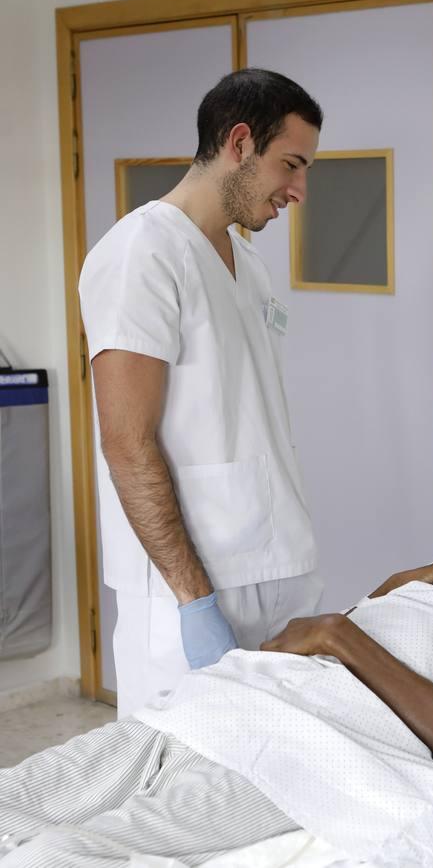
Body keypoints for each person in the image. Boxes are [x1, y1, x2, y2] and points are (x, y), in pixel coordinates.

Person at [0, 531, 433, 867]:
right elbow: (294, 645)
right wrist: (393, 589)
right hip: (214, 704)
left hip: (296, 750)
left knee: (53, 857)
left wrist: (342, 631)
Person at [78, 69, 325, 717]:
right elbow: (126, 444)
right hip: (188, 595)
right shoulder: (143, 254)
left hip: (277, 570)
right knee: (180, 793)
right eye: (291, 165)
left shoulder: (252, 267)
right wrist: (196, 603)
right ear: (240, 143)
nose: (299, 190)